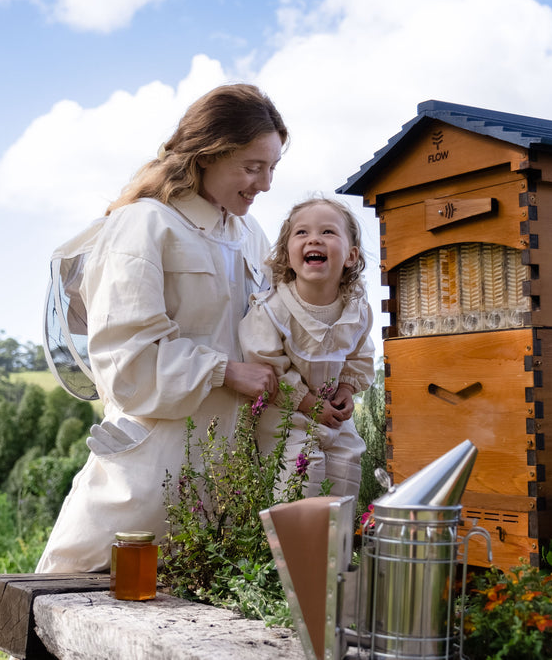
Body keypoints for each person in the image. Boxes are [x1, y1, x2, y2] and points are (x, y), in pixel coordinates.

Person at [36, 83, 288, 573]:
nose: (266, 183)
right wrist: (225, 372)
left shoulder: (250, 235)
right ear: (208, 154)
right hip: (147, 477)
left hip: (228, 479)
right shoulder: (142, 224)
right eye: (253, 167)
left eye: (273, 168)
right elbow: (124, 361)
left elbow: (282, 329)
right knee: (71, 610)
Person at [238, 195, 375, 500]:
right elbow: (267, 370)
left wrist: (346, 389)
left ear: (351, 255)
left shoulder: (356, 311)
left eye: (328, 232)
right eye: (302, 233)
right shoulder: (273, 310)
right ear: (287, 256)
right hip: (287, 416)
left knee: (345, 471)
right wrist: (310, 404)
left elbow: (359, 356)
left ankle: (332, 546)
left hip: (333, 416)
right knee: (300, 479)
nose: (314, 238)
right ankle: (290, 546)